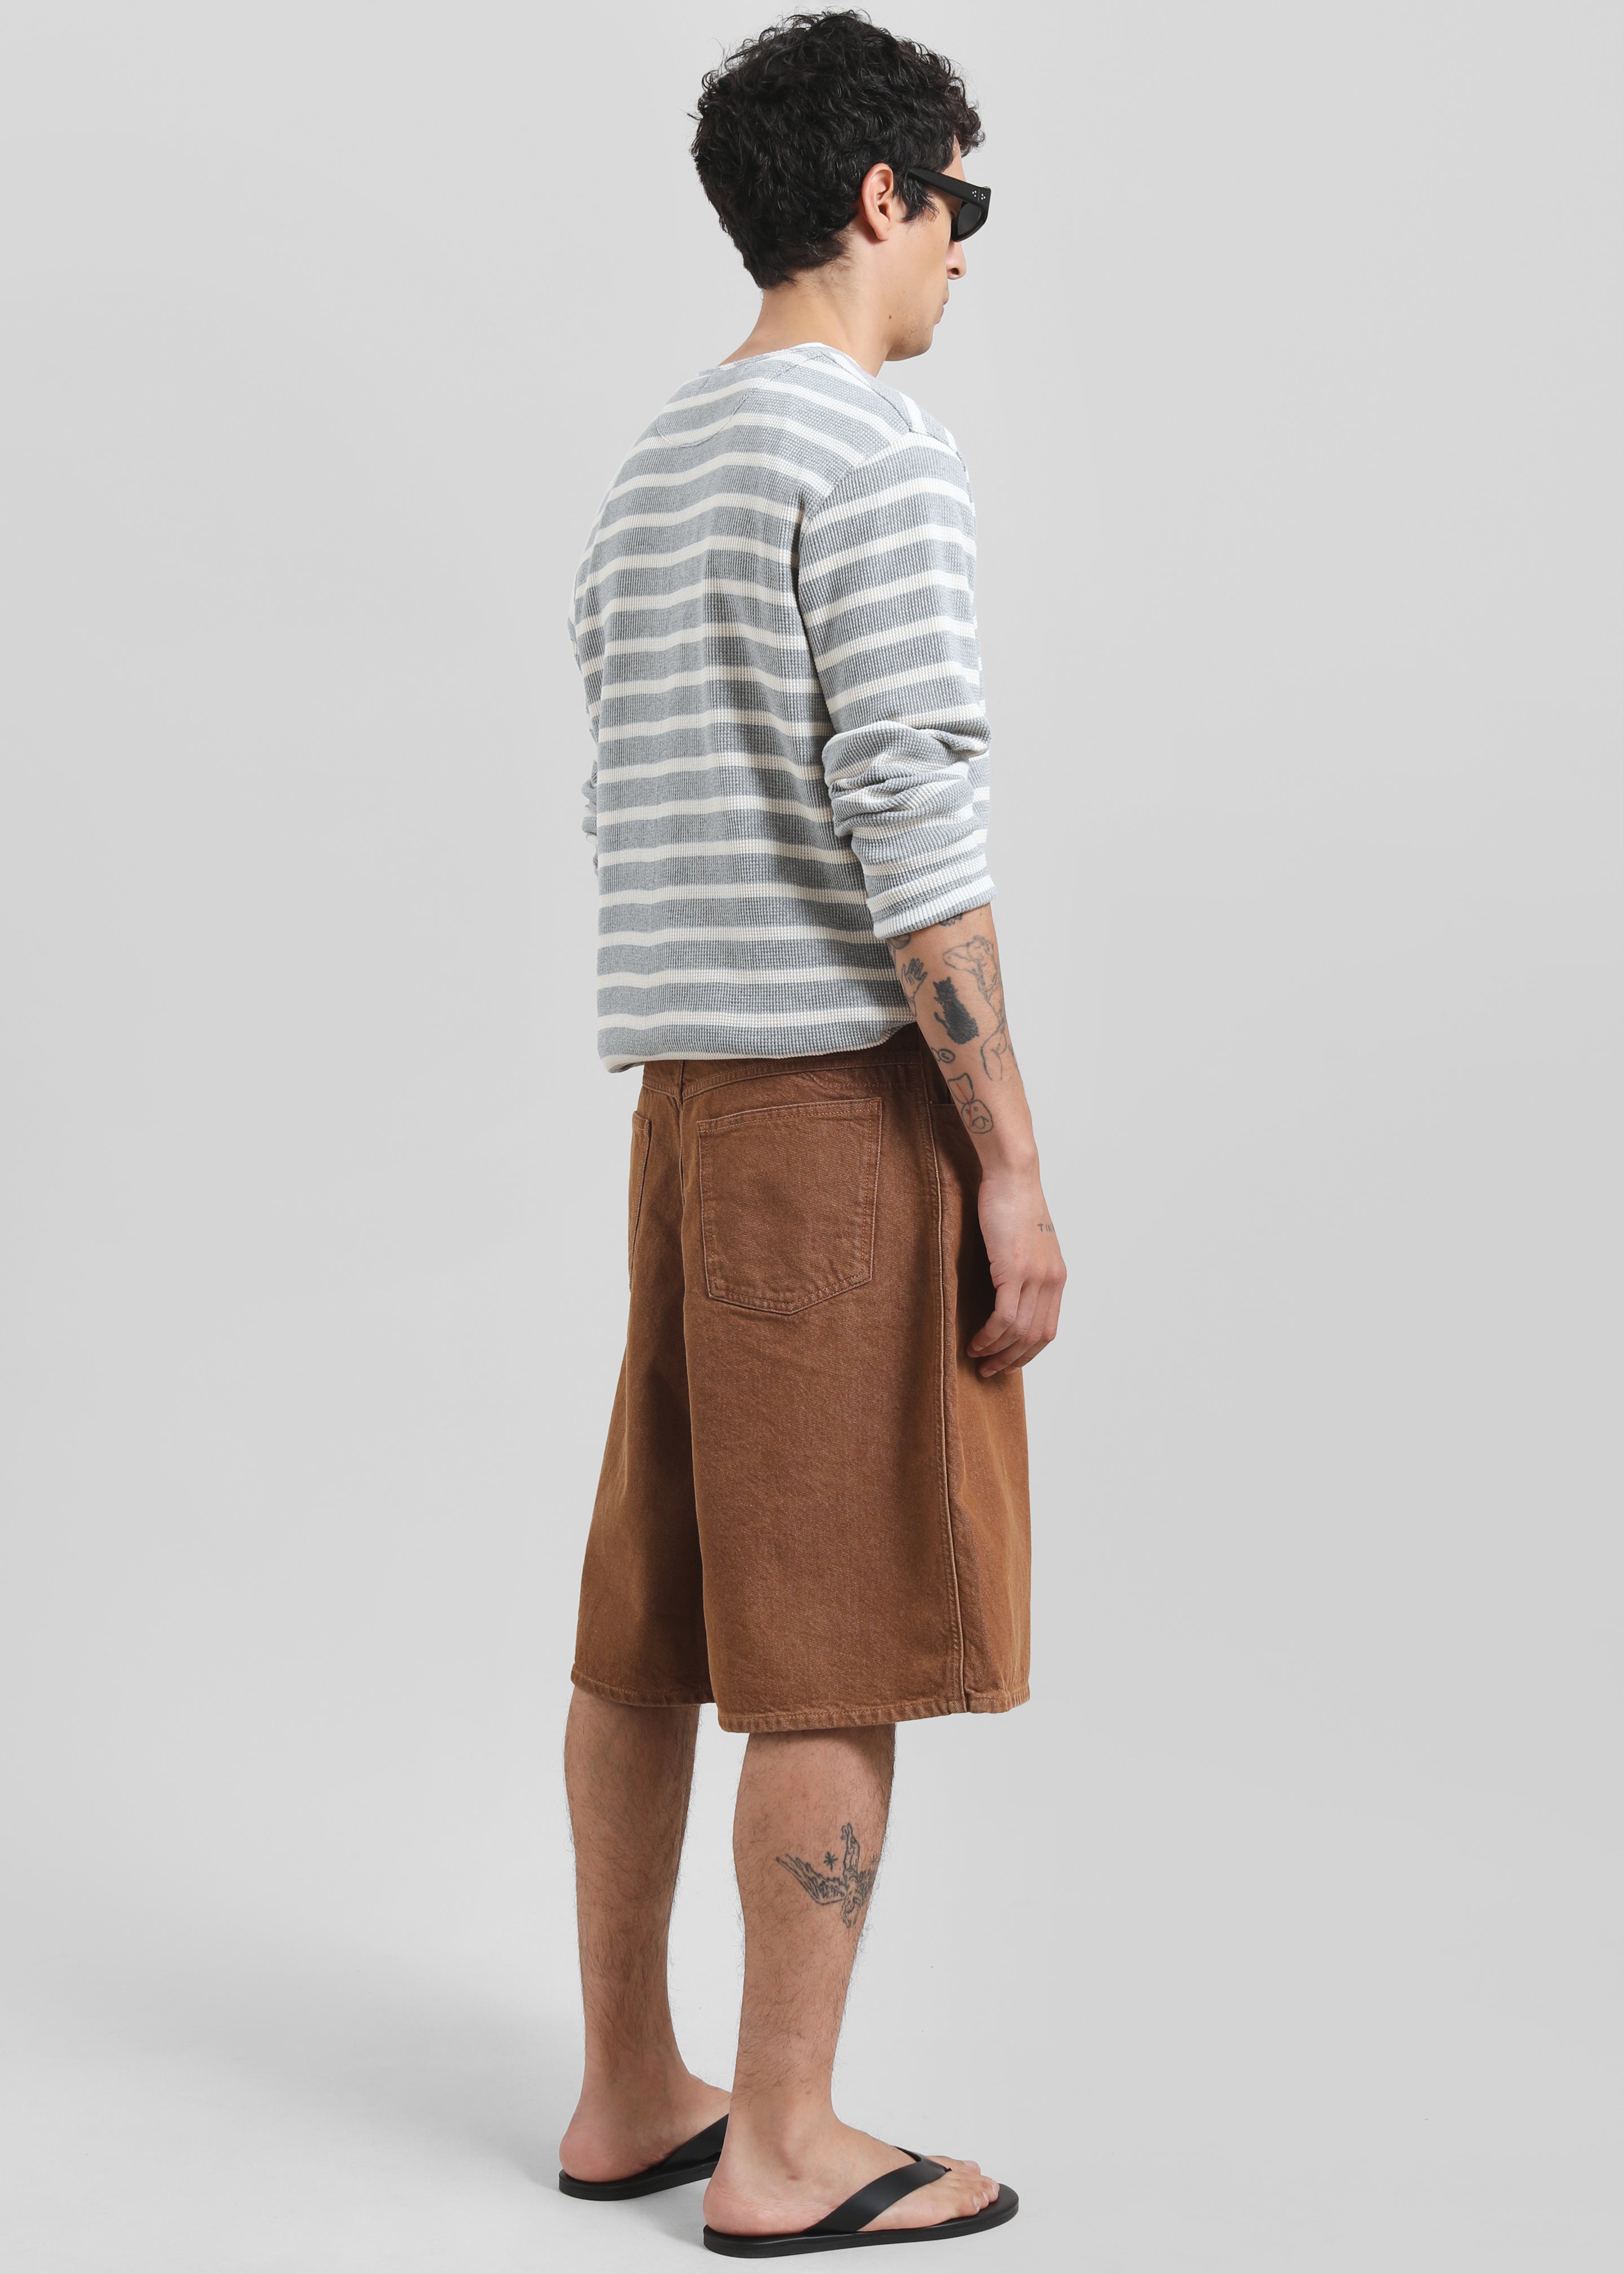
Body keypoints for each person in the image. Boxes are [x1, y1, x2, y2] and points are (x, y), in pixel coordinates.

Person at [556, 12, 1065, 2254]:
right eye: (963, 203)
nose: (966, 248)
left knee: (651, 1617)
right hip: (837, 1112)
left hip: (679, 1114)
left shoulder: (658, 464)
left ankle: (626, 2091)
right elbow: (911, 815)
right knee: (839, 1624)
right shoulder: (874, 449)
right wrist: (1008, 1158)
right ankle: (783, 2142)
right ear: (881, 197)